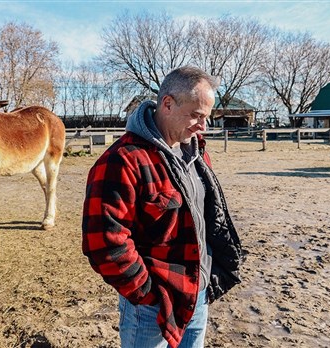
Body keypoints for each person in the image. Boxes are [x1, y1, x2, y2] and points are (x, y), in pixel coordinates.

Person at [82, 66, 242, 348]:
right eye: (196, 115)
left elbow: (206, 218)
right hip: (152, 309)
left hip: (198, 296)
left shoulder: (196, 152)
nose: (203, 126)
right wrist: (147, 293)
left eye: (207, 117)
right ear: (167, 103)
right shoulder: (123, 160)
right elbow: (104, 242)